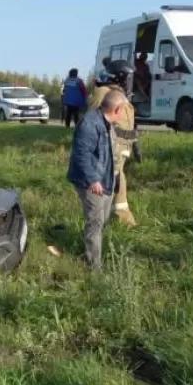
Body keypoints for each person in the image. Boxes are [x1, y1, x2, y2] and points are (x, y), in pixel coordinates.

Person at [68, 89, 128, 270]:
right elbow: (81, 155)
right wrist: (94, 180)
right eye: (124, 110)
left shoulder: (107, 123)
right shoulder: (89, 123)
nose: (124, 114)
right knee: (95, 222)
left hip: (105, 180)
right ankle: (94, 267)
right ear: (116, 110)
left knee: (102, 220)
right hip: (91, 183)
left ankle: (91, 251)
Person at [88, 58, 139, 227]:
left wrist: (135, 145)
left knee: (116, 183)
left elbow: (128, 125)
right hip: (110, 149)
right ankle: (109, 222)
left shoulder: (119, 95)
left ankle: (119, 221)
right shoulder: (104, 93)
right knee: (111, 183)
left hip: (119, 150)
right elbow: (92, 120)